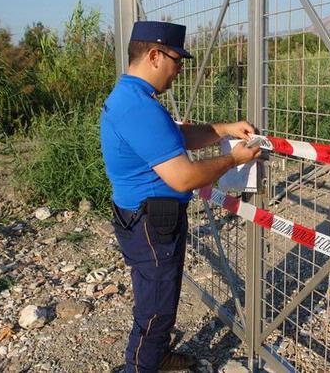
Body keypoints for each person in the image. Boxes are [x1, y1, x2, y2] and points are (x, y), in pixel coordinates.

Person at [100, 21, 261, 372]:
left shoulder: (132, 97)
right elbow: (184, 177)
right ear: (155, 55)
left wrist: (222, 130)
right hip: (151, 224)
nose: (179, 70)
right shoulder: (138, 107)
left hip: (141, 218)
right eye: (177, 60)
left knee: (158, 295)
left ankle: (157, 355)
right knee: (155, 306)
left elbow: (173, 136)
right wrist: (233, 157)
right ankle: (142, 365)